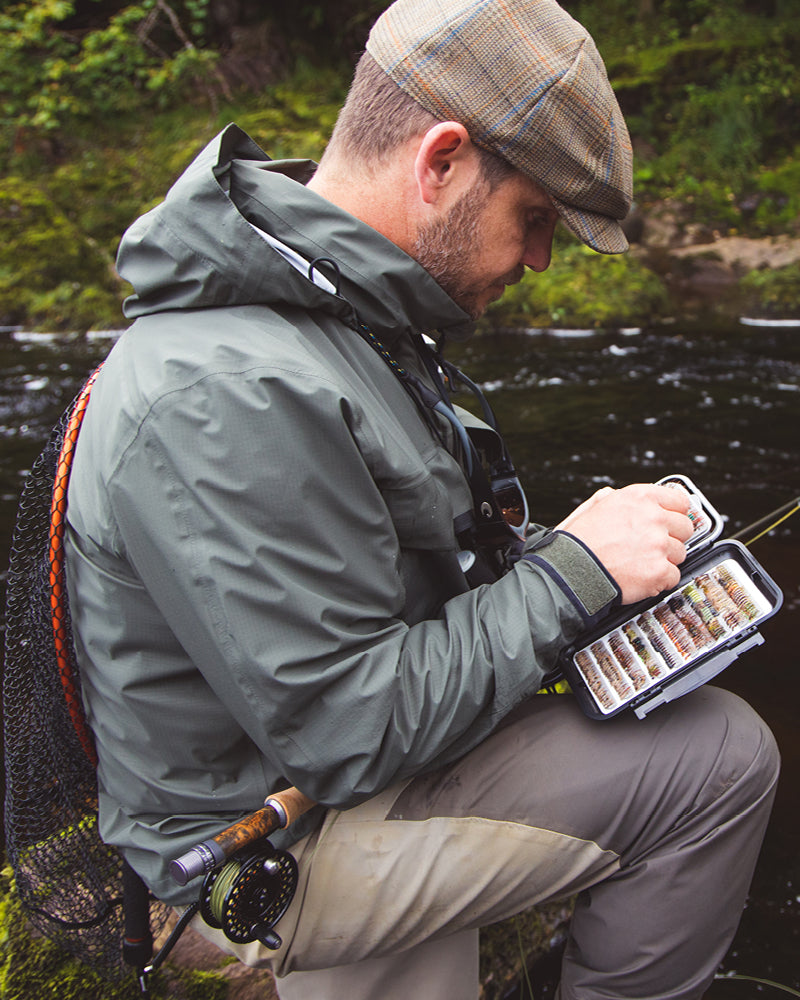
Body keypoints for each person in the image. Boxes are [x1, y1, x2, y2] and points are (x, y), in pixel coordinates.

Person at [64, 1, 779, 997]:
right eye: (533, 218)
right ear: (440, 160)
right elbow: (343, 730)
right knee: (719, 761)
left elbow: (408, 576)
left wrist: (570, 561)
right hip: (249, 857)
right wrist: (572, 575)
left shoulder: (339, 323)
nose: (538, 259)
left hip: (329, 772)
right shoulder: (225, 388)